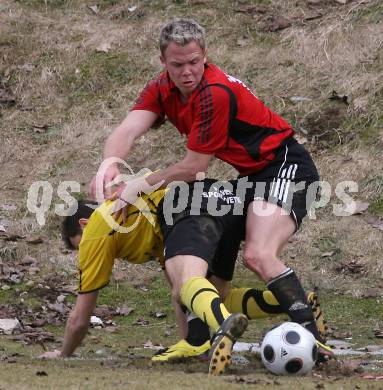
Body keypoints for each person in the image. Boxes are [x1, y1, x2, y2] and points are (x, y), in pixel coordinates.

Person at [88, 17, 332, 365]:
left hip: (286, 168)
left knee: (258, 255)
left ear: (205, 56)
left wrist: (137, 186)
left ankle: (315, 341)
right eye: (177, 64)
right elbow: (128, 129)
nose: (187, 71)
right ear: (163, 62)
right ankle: (201, 341)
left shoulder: (215, 94)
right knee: (205, 226)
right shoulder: (161, 88)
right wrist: (109, 162)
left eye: (194, 62)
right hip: (251, 177)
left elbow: (193, 168)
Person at [39, 182, 327, 375]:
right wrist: (188, 341)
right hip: (225, 198)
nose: (85, 254)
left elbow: (80, 317)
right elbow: (177, 291)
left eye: (79, 247)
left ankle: (222, 326)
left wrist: (63, 353)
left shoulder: (97, 231)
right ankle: (291, 302)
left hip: (189, 204)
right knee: (214, 294)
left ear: (84, 225)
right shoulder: (137, 217)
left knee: (192, 283)